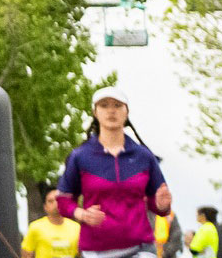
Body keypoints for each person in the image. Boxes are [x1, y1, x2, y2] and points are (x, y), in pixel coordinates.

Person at [57, 87, 173, 258]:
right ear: (95, 112)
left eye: (117, 105)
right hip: (96, 251)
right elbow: (63, 200)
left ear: (127, 112)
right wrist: (82, 214)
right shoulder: (80, 156)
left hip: (140, 247)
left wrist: (162, 205)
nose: (111, 110)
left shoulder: (144, 156)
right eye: (104, 105)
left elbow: (159, 206)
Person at [23, 189, 81, 258]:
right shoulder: (35, 227)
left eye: (58, 200)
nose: (55, 204)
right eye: (50, 201)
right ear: (45, 207)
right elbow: (26, 254)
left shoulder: (76, 227)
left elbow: (82, 254)